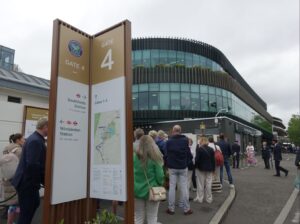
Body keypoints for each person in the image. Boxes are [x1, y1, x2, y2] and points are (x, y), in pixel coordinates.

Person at [12, 117, 48, 224]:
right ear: (45, 127)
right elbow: (32, 165)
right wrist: (43, 181)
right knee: (26, 213)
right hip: (27, 184)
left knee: (35, 204)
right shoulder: (36, 140)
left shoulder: (35, 138)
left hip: (27, 183)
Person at [134, 135, 164, 224]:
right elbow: (160, 176)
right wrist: (160, 183)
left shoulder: (134, 157)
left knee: (138, 216)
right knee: (152, 217)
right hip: (152, 191)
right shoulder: (155, 158)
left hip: (137, 191)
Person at [165, 125, 193, 215]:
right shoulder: (185, 140)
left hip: (172, 167)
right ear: (180, 131)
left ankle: (171, 209)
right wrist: (186, 162)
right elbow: (189, 154)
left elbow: (165, 154)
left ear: (173, 131)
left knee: (172, 188)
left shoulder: (169, 141)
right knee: (184, 187)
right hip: (182, 167)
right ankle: (186, 209)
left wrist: (168, 163)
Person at [1, 133, 25, 224]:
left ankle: (10, 221)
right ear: (18, 140)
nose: (24, 140)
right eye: (23, 139)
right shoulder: (19, 150)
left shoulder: (6, 148)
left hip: (7, 177)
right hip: (17, 179)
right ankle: (10, 221)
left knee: (13, 202)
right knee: (16, 203)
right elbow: (22, 165)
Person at [194, 137, 215, 203]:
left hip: (200, 169)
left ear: (201, 142)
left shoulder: (199, 149)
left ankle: (200, 198)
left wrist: (195, 166)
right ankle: (209, 199)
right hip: (209, 168)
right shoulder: (211, 149)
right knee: (208, 184)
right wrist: (213, 169)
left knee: (200, 184)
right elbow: (213, 160)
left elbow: (197, 160)